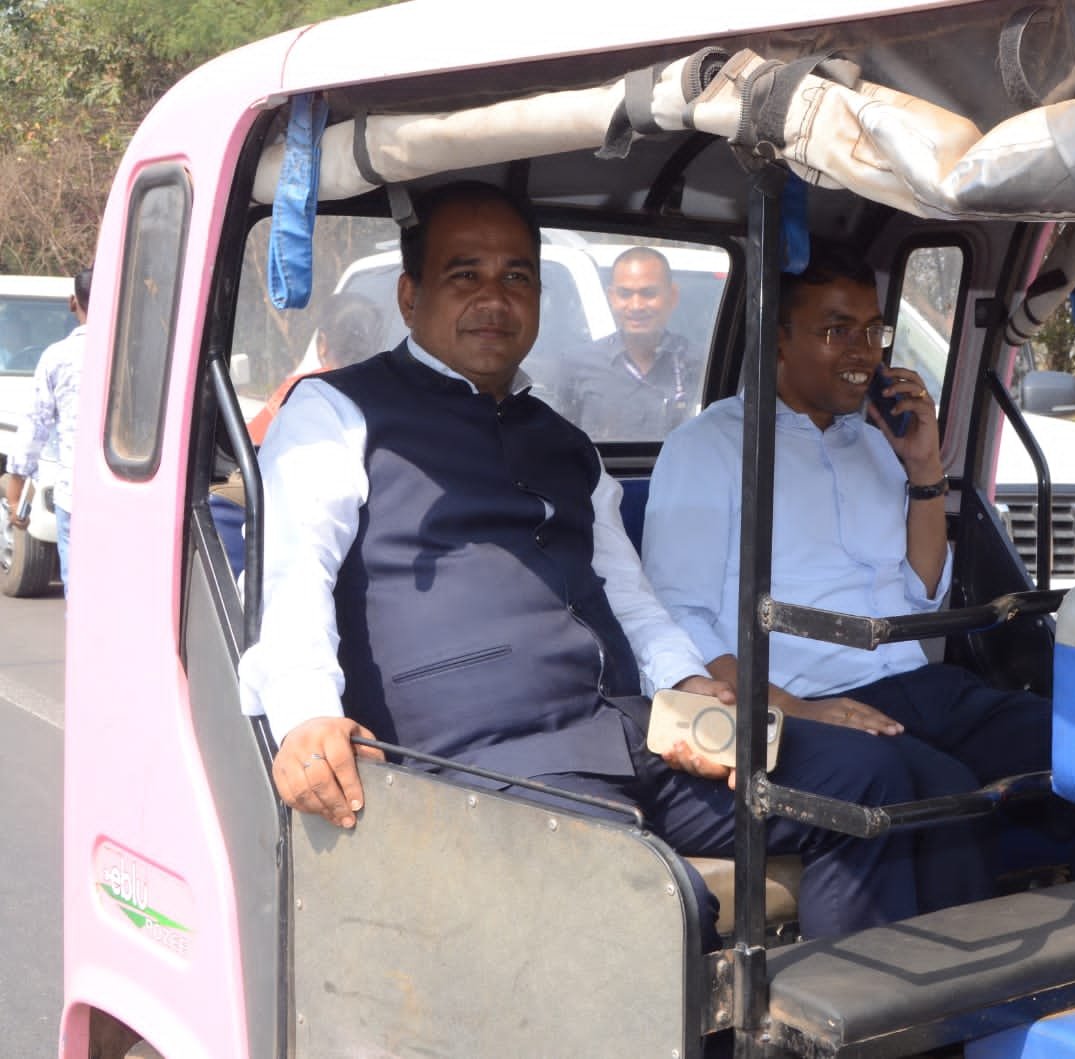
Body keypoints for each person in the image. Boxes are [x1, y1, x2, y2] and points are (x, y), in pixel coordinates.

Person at [235, 181, 936, 950]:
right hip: (483, 760)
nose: (494, 298)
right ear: (411, 296)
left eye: (517, 276)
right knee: (652, 899)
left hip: (629, 732)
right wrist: (306, 716)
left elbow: (630, 598)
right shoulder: (338, 413)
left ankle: (863, 1008)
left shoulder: (566, 443)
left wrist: (691, 684)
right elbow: (291, 573)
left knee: (872, 782)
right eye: (465, 275)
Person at [643, 248, 1075, 897]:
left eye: (872, 331)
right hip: (809, 695)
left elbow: (922, 592)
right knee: (946, 795)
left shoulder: (876, 443)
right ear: (779, 338)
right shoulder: (709, 447)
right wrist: (794, 708)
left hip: (921, 683)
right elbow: (682, 619)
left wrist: (923, 468)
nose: (863, 352)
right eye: (837, 331)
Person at [4, 267, 91, 591]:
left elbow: (34, 427)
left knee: (79, 592)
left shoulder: (57, 357)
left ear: (73, 302)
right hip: (132, 494)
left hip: (73, 494)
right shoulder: (136, 354)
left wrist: (15, 496)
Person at [559, 246, 700, 440]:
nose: (636, 306)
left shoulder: (700, 364)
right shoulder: (578, 363)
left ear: (672, 296)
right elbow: (563, 443)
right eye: (625, 294)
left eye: (648, 293)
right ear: (611, 297)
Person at [247, 291, 385, 444]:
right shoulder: (391, 395)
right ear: (377, 347)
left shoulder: (300, 390)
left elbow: (249, 444)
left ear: (322, 344)